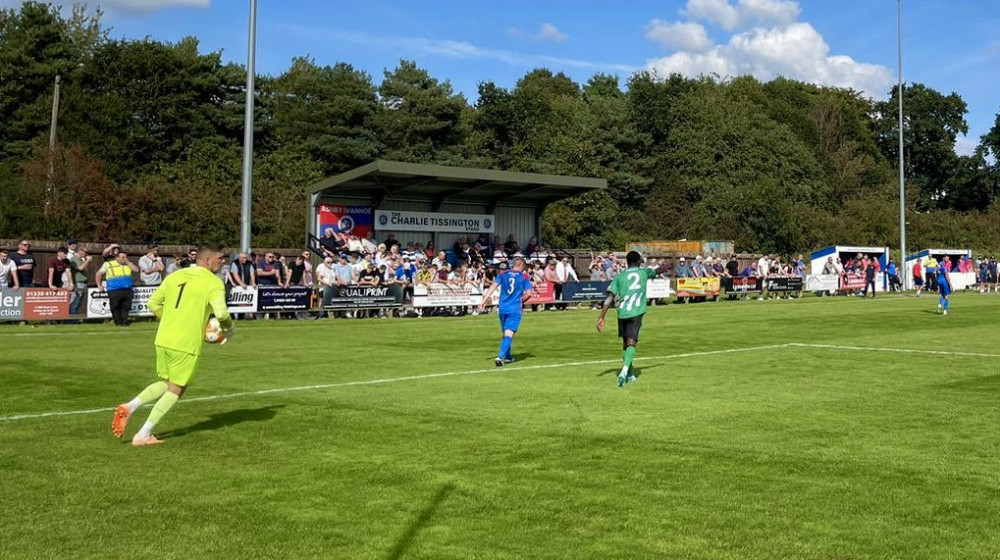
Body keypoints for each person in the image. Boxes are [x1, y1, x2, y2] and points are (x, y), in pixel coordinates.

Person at [111, 243, 235, 447]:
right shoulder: (213, 282)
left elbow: (153, 303)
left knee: (167, 382)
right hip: (185, 342)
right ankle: (143, 434)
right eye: (220, 258)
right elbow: (221, 314)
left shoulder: (175, 276)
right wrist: (230, 329)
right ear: (207, 260)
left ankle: (130, 406)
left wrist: (170, 320)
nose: (222, 262)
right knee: (177, 389)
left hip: (163, 338)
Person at [596, 251, 669, 388]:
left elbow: (608, 299)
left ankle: (630, 373)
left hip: (622, 312)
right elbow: (659, 270)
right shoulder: (644, 272)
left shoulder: (620, 276)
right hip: (636, 312)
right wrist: (670, 265)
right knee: (632, 343)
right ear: (636, 261)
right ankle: (624, 372)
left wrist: (601, 318)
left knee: (625, 343)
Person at [478, 257, 532, 367]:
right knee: (509, 333)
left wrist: (483, 301)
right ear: (522, 266)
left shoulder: (503, 274)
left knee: (505, 333)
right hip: (515, 309)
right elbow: (529, 293)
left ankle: (508, 356)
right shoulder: (525, 276)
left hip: (503, 308)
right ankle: (500, 356)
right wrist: (521, 300)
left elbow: (493, 286)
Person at [96, 250, 139, 327]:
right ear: (117, 257)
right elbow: (99, 273)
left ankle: (124, 322)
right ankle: (118, 322)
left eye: (126, 257)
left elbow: (136, 270)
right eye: (122, 257)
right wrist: (99, 285)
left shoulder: (128, 264)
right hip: (114, 289)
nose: (124, 259)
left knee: (126, 307)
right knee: (115, 306)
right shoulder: (108, 264)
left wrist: (128, 263)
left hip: (127, 289)